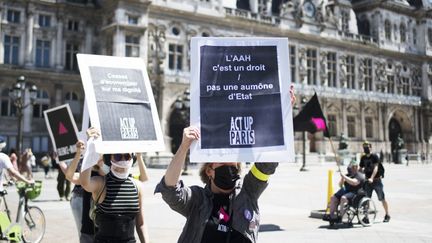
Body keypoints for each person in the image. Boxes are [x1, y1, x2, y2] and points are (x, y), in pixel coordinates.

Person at [80, 128, 148, 243]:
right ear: (109, 158)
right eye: (117, 156)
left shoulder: (137, 186)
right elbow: (85, 183)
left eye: (126, 156)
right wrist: (90, 147)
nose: (122, 160)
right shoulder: (101, 183)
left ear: (132, 158)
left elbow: (141, 223)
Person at [359, 141, 391, 222]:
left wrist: (372, 178)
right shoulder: (363, 158)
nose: (366, 149)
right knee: (366, 199)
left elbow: (376, 168)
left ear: (370, 147)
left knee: (381, 198)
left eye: (367, 147)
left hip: (376, 181)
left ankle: (387, 214)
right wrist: (358, 172)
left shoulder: (374, 156)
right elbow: (361, 168)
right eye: (364, 147)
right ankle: (366, 217)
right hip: (367, 181)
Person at [328, 160, 365, 225]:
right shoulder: (348, 175)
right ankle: (332, 216)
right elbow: (340, 185)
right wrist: (342, 179)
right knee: (333, 198)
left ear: (356, 167)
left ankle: (343, 217)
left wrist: (345, 177)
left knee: (343, 198)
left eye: (352, 167)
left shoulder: (359, 175)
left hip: (355, 192)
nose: (350, 169)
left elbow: (354, 182)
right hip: (346, 190)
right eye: (350, 167)